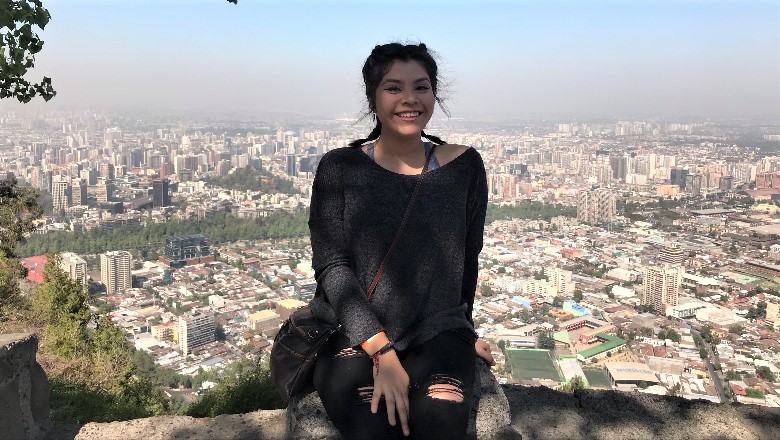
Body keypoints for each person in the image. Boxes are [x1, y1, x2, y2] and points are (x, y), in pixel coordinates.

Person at [307, 42, 493, 440]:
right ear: (373, 98)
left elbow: (467, 260)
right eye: (394, 88)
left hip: (437, 331)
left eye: (421, 87)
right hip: (354, 334)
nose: (409, 99)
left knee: (441, 427)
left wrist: (465, 333)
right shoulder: (339, 168)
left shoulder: (465, 167)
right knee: (377, 428)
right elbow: (332, 266)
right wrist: (382, 351)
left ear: (434, 94)